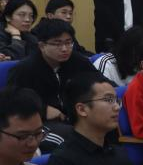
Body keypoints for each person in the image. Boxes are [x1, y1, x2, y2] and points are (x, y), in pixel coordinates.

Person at [5, 19, 100, 153]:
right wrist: (43, 109)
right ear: (42, 45)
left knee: (103, 124)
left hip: (73, 116)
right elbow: (12, 101)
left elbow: (100, 81)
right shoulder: (25, 69)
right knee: (73, 136)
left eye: (68, 43)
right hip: (40, 123)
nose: (64, 49)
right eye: (57, 44)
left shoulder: (76, 61)